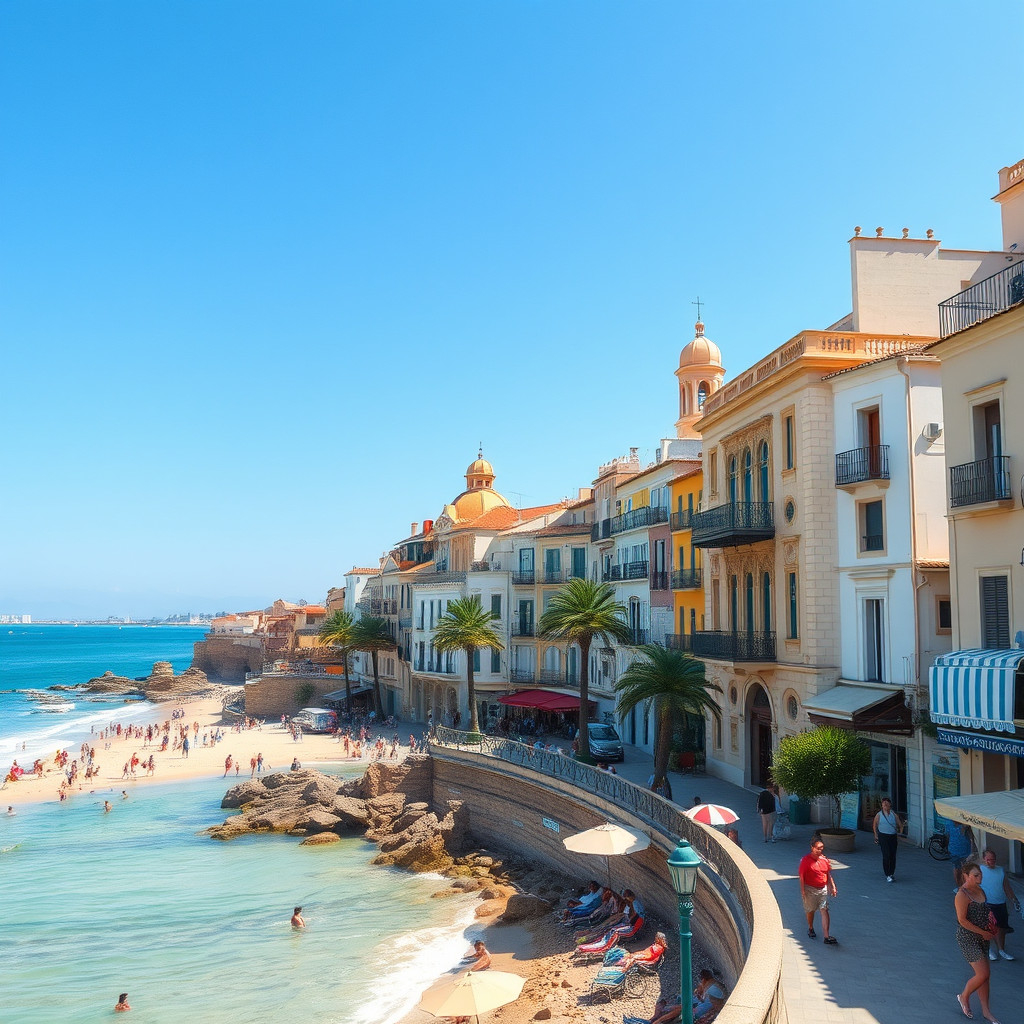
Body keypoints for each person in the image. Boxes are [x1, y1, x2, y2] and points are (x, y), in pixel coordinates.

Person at [955, 862, 1000, 1022]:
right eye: (975, 875)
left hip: (983, 937)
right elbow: (962, 921)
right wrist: (983, 932)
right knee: (983, 973)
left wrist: (991, 925)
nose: (979, 877)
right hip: (968, 938)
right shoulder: (962, 894)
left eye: (980, 874)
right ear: (966, 876)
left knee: (984, 977)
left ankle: (986, 1011)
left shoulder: (980, 890)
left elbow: (984, 911)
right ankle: (964, 996)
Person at [980, 848, 1020, 961]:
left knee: (1001, 928)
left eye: (993, 860)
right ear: (984, 859)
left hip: (1000, 903)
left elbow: (1006, 887)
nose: (991, 862)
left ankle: (1001, 950)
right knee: (988, 928)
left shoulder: (1000, 870)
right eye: (988, 860)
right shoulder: (980, 870)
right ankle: (987, 950)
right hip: (987, 904)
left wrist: (1014, 900)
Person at [799, 837, 838, 944]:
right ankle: (811, 927)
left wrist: (833, 886)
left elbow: (827, 874)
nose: (820, 850)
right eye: (818, 848)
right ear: (812, 848)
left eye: (822, 848)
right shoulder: (806, 861)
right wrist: (802, 890)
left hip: (822, 889)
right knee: (810, 910)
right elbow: (801, 876)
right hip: (810, 889)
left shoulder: (824, 860)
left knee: (824, 910)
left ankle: (826, 936)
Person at [872, 796, 904, 882]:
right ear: (882, 805)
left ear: (890, 804)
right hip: (883, 836)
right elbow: (874, 825)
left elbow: (900, 825)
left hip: (892, 837)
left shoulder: (894, 814)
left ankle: (891, 873)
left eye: (887, 803)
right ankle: (887, 874)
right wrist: (876, 835)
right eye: (883, 803)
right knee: (886, 855)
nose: (885, 805)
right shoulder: (879, 815)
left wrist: (899, 834)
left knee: (893, 856)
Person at [948, 821, 977, 891]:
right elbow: (971, 839)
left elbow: (971, 838)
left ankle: (962, 886)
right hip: (959, 851)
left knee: (960, 869)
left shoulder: (963, 826)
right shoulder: (963, 827)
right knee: (959, 869)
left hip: (960, 851)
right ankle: (961, 887)